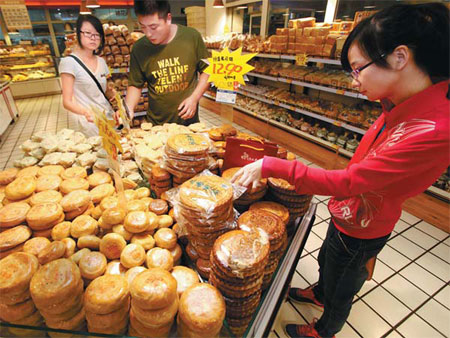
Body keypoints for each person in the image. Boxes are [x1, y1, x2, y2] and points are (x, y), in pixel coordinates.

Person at [232, 3, 449, 338]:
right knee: (327, 261)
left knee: (342, 282)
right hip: (348, 212)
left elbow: (350, 182)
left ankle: (326, 326)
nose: (354, 79)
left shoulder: (432, 130)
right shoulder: (402, 100)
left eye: (358, 68)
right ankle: (319, 292)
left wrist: (271, 165)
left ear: (399, 58)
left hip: (364, 225)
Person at [126, 0, 210, 125]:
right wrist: (128, 109)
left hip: (189, 124)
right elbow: (135, 84)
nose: (148, 34)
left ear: (168, 18)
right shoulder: (139, 48)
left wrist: (194, 98)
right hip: (157, 125)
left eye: (153, 27)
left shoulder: (192, 37)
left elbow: (207, 70)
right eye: (143, 27)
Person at [60, 14, 115, 137]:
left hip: (109, 117)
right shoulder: (69, 63)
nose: (93, 38)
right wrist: (86, 112)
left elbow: (105, 91)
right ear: (78, 34)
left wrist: (115, 97)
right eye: (88, 33)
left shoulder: (101, 61)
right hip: (90, 122)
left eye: (97, 34)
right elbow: (67, 102)